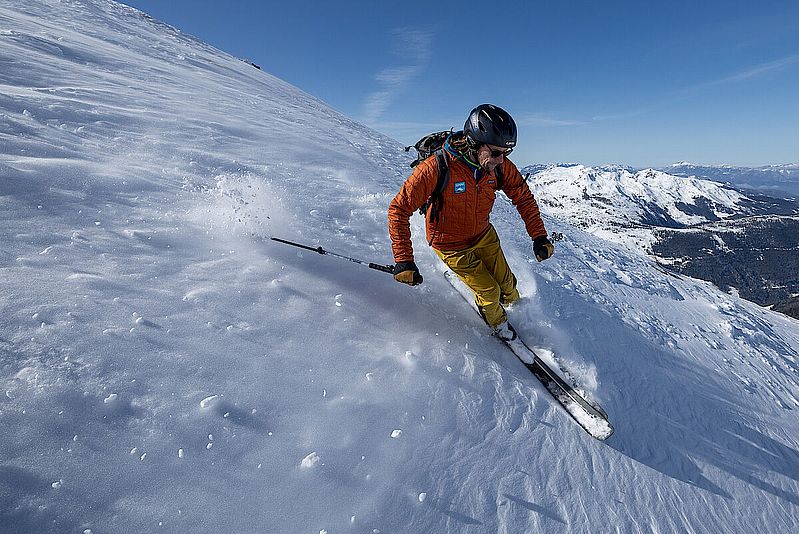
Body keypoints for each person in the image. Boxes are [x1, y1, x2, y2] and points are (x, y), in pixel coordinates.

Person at [388, 104, 554, 340]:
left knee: (508, 286)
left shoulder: (499, 167)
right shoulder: (436, 168)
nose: (501, 160)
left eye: (506, 154)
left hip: (483, 235)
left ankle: (516, 315)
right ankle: (500, 327)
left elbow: (523, 197)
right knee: (489, 291)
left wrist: (539, 236)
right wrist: (403, 260)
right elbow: (398, 209)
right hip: (450, 243)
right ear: (476, 143)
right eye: (496, 153)